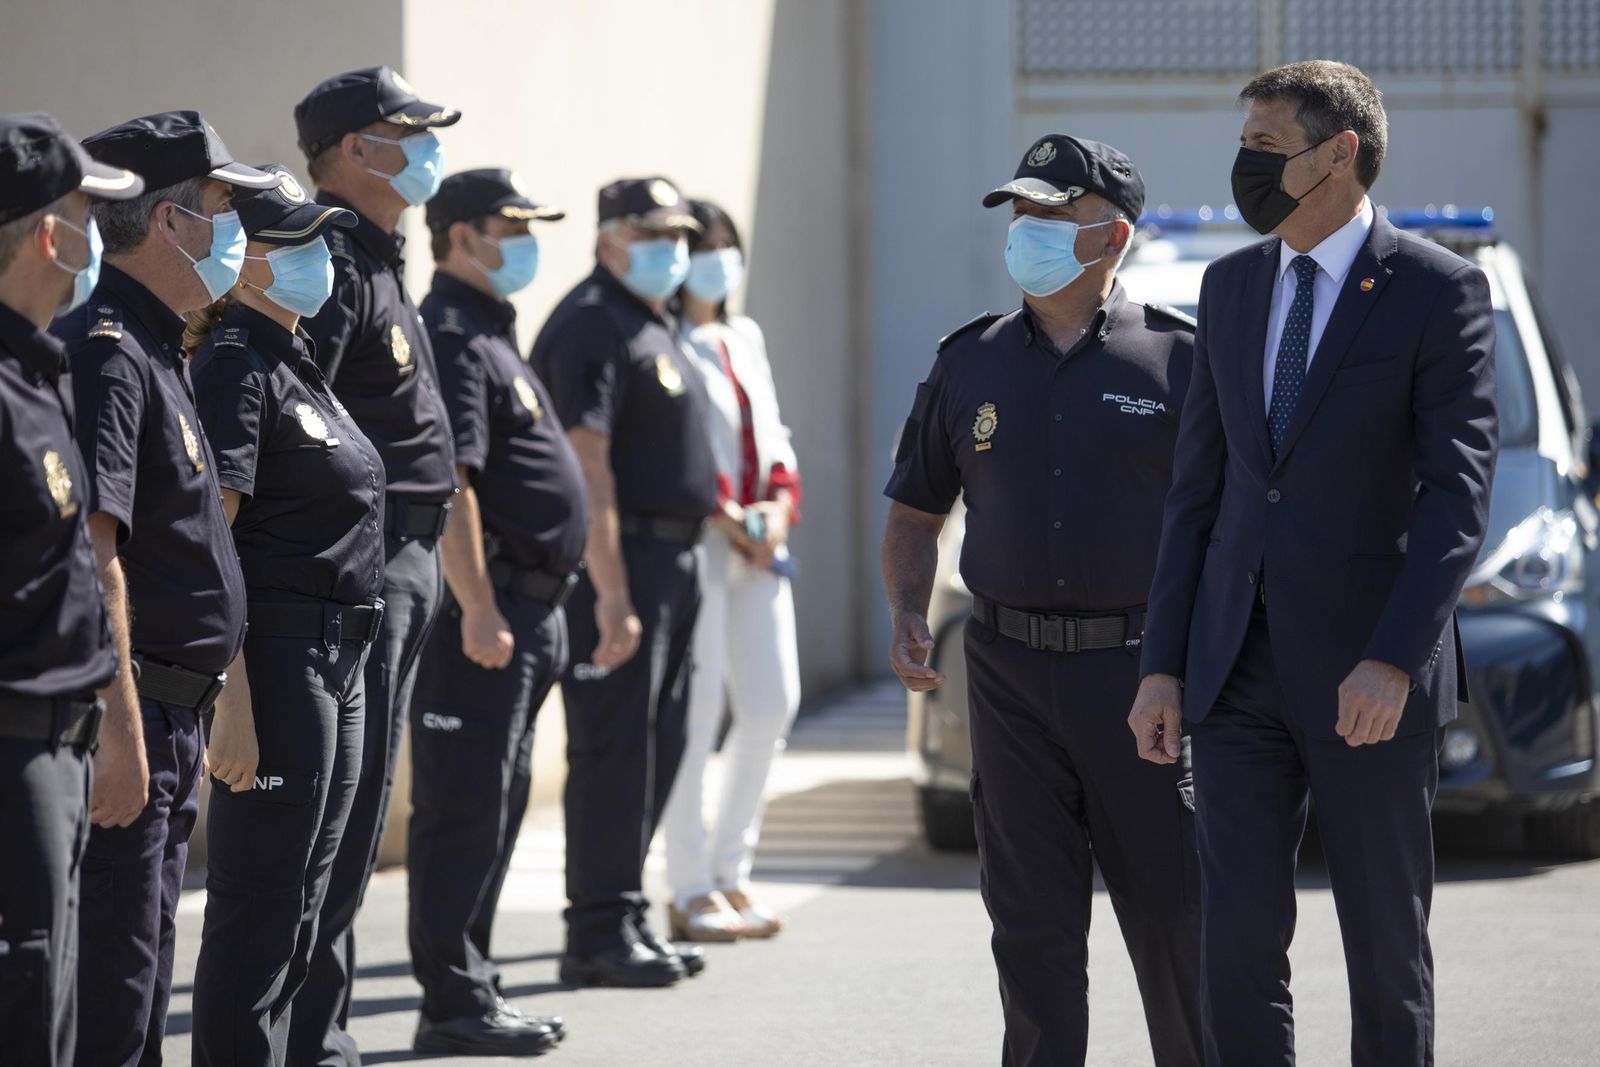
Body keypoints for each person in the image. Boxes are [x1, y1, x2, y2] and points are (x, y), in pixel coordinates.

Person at [1127, 60, 1498, 1066]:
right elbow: (1198, 493)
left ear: (1339, 154)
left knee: (1383, 944)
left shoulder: (1436, 290)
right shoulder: (1230, 284)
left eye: (1263, 148)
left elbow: (1458, 494)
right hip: (1232, 670)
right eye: (1241, 145)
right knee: (1236, 939)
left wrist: (1393, 656)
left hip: (1364, 676)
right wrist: (1163, 663)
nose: (1243, 167)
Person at [882, 135, 1203, 1066]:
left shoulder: (1181, 364)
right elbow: (914, 510)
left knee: (1179, 928)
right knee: (1030, 935)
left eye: (1051, 216)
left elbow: (1229, 541)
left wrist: (1194, 671)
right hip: (1009, 675)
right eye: (1020, 214)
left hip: (1144, 679)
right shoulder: (968, 362)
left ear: (1112, 236)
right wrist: (908, 608)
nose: (1026, 232)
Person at [55, 112, 280, 1067]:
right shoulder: (110, 349)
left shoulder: (161, 345)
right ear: (165, 221)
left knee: (145, 960)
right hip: (137, 707)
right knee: (116, 972)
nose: (236, 237)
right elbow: (96, 549)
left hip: (175, 711)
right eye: (222, 212)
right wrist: (121, 727)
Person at [182, 165, 387, 1066]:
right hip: (276, 655)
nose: (323, 257)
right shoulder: (234, 365)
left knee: (305, 898)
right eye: (299, 242)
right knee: (260, 903)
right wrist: (230, 695)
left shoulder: (293, 362)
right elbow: (210, 542)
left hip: (338, 654)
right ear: (249, 264)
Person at [289, 65, 462, 1065]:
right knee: (337, 821)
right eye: (412, 132)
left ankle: (327, 1031)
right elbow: (293, 428)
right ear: (358, 149)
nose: (430, 148)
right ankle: (311, 1037)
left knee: (357, 815)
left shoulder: (379, 260)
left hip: (409, 553)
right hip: (366, 559)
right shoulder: (332, 264)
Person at [407, 168, 582, 1056]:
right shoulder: (450, 335)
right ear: (461, 235)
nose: (525, 239)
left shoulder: (490, 331)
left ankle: (471, 980)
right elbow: (454, 485)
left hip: (530, 607)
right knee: (463, 804)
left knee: (501, 799)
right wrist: (476, 605)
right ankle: (450, 998)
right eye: (510, 224)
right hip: (490, 608)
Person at [530, 175, 719, 988]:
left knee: (663, 741)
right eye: (651, 232)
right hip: (624, 561)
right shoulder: (591, 324)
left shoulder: (652, 320)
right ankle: (596, 928)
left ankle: (624, 909)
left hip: (673, 558)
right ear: (608, 237)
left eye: (679, 233)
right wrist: (608, 590)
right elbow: (588, 464)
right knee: (615, 744)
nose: (670, 248)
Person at [0, 112, 143, 1067]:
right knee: (24, 988)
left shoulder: (36, 368)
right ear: (51, 233)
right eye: (90, 214)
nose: (100, 238)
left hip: (60, 738)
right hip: (14, 743)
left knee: (49, 989)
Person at [660, 198, 802, 942]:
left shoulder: (744, 333)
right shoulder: (668, 339)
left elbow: (774, 436)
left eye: (726, 244)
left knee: (773, 703)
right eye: (701, 245)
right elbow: (680, 451)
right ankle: (688, 886)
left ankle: (730, 869)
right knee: (694, 715)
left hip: (761, 546)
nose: (717, 257)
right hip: (704, 546)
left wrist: (777, 510)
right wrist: (727, 517)